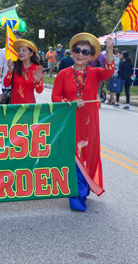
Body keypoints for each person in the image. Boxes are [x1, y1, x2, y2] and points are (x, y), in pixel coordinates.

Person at [52, 33, 115, 211]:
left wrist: (109, 50)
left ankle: (84, 187)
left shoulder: (95, 73)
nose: (80, 54)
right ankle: (77, 195)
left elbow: (109, 72)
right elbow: (55, 96)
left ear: (90, 56)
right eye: (77, 50)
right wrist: (69, 103)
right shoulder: (63, 74)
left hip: (90, 121)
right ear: (72, 53)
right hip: (70, 120)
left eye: (85, 52)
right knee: (74, 155)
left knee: (89, 154)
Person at [3, 39, 44, 104]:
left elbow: (39, 91)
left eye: (24, 50)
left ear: (31, 53)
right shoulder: (14, 66)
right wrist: (10, 71)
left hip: (29, 107)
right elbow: (6, 84)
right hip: (14, 106)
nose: (20, 53)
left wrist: (37, 82)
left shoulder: (37, 68)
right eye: (19, 50)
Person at [0, 30, 22, 102]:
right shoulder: (4, 51)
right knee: (5, 110)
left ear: (19, 38)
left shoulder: (22, 51)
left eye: (14, 36)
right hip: (6, 86)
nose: (12, 38)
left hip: (19, 86)